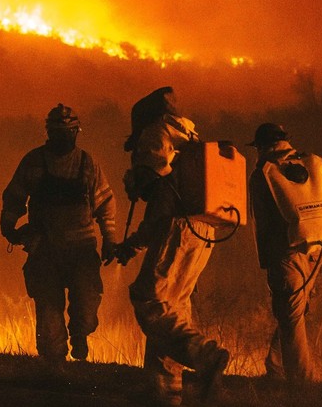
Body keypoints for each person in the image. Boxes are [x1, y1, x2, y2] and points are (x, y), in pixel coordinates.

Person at [113, 87, 229, 406]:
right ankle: (164, 387)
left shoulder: (157, 133)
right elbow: (162, 209)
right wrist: (133, 246)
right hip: (201, 229)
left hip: (179, 228)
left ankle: (205, 355)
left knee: (149, 298)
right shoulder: (188, 141)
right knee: (173, 304)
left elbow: (157, 191)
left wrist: (135, 181)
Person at [0, 103, 118, 365]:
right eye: (58, 132)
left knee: (86, 310)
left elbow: (105, 204)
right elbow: (15, 196)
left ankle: (80, 336)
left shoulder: (88, 164)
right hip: (46, 250)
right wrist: (9, 227)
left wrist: (109, 239)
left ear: (77, 132)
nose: (63, 137)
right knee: (49, 316)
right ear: (49, 133)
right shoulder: (33, 162)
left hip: (82, 250)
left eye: (69, 132)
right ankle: (55, 373)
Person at [247, 122, 322, 385]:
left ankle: (301, 385)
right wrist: (313, 217)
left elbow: (262, 223)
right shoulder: (316, 162)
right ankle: (275, 367)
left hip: (286, 253)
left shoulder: (263, 173)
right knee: (293, 312)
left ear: (261, 147)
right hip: (318, 249)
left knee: (291, 316)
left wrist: (268, 259)